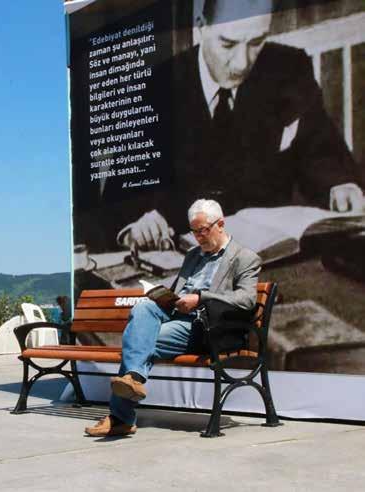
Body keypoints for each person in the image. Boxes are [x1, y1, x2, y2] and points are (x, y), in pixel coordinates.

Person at [76, 0, 364, 252]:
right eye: (228, 43)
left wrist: (340, 185)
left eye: (256, 42)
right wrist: (135, 228)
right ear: (201, 27)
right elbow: (118, 203)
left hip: (271, 256)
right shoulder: (155, 86)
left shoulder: (288, 68)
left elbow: (320, 148)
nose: (241, 63)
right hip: (183, 258)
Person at [84, 198, 261, 437]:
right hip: (179, 314)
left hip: (207, 326)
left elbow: (247, 300)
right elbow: (181, 288)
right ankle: (133, 381)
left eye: (203, 231)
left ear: (221, 224)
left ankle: (121, 416)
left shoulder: (244, 257)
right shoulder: (192, 255)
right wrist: (164, 295)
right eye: (194, 231)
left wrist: (201, 298)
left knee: (139, 340)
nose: (198, 237)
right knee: (143, 307)